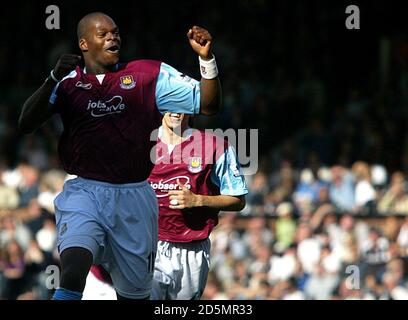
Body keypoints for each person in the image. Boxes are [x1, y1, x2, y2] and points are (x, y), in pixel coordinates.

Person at [18, 12, 222, 300]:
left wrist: (206, 59)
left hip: (134, 198)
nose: (112, 37)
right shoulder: (67, 82)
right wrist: (52, 77)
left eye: (115, 32)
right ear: (84, 44)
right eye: (103, 34)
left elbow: (209, 105)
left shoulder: (148, 75)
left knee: (134, 295)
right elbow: (25, 123)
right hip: (85, 190)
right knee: (74, 269)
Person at [83, 111, 247, 300]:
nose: (176, 109)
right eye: (170, 101)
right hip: (147, 245)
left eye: (182, 102)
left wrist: (198, 200)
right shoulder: (136, 143)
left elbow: (238, 200)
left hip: (192, 250)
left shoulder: (216, 147)